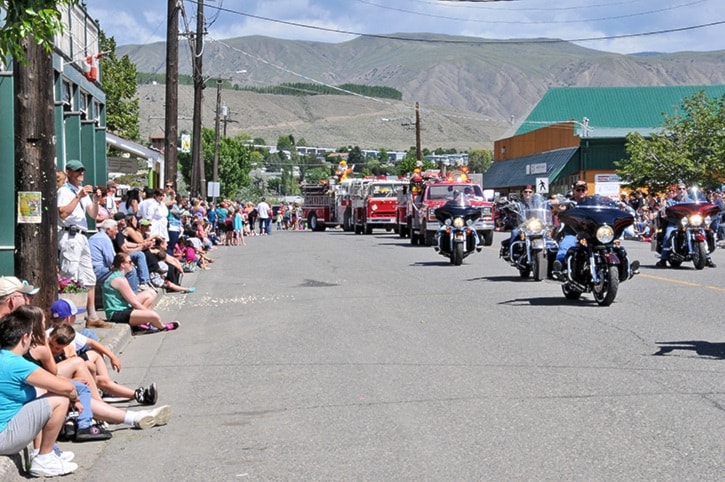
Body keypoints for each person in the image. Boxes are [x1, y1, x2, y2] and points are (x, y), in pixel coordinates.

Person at [0, 310, 81, 476]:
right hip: (4, 436)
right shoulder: (17, 364)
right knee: (60, 399)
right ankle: (44, 458)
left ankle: (40, 452)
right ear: (25, 337)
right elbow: (66, 388)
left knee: (39, 393)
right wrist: (74, 397)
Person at [57, 159, 102, 325]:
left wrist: (96, 200)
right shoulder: (64, 191)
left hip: (82, 236)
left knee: (88, 276)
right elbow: (62, 213)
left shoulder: (79, 191)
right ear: (68, 172)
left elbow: (93, 214)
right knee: (69, 274)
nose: (81, 174)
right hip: (70, 235)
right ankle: (66, 318)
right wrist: (79, 196)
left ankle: (90, 315)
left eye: (82, 171)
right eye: (77, 171)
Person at [102, 253, 179, 332]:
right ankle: (162, 326)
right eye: (130, 262)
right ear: (122, 264)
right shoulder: (119, 280)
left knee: (151, 293)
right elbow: (134, 303)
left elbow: (133, 297)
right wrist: (147, 313)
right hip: (117, 313)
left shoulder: (120, 277)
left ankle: (142, 322)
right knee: (154, 316)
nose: (132, 264)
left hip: (124, 307)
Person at [656, 182, 716, 268]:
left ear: (686, 190)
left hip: (691, 223)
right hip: (675, 223)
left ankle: (707, 258)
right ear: (676, 190)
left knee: (704, 233)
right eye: (679, 189)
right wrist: (664, 210)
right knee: (667, 235)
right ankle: (663, 259)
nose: (681, 191)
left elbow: (698, 208)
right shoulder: (671, 201)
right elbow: (665, 211)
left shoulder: (691, 201)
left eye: (683, 189)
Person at [552, 180, 594, 275]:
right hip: (574, 234)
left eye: (583, 189)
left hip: (591, 234)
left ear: (587, 190)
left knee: (611, 245)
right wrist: (555, 203)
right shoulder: (569, 203)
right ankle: (560, 265)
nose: (581, 192)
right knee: (565, 245)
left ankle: (621, 266)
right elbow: (560, 208)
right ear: (573, 191)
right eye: (578, 189)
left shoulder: (592, 202)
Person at [500, 185, 534, 258]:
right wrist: (509, 206)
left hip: (534, 226)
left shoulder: (536, 203)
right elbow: (510, 207)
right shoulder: (519, 203)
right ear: (522, 192)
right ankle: (510, 252)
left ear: (532, 193)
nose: (528, 193)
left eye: (530, 192)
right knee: (514, 232)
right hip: (522, 226)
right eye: (526, 192)